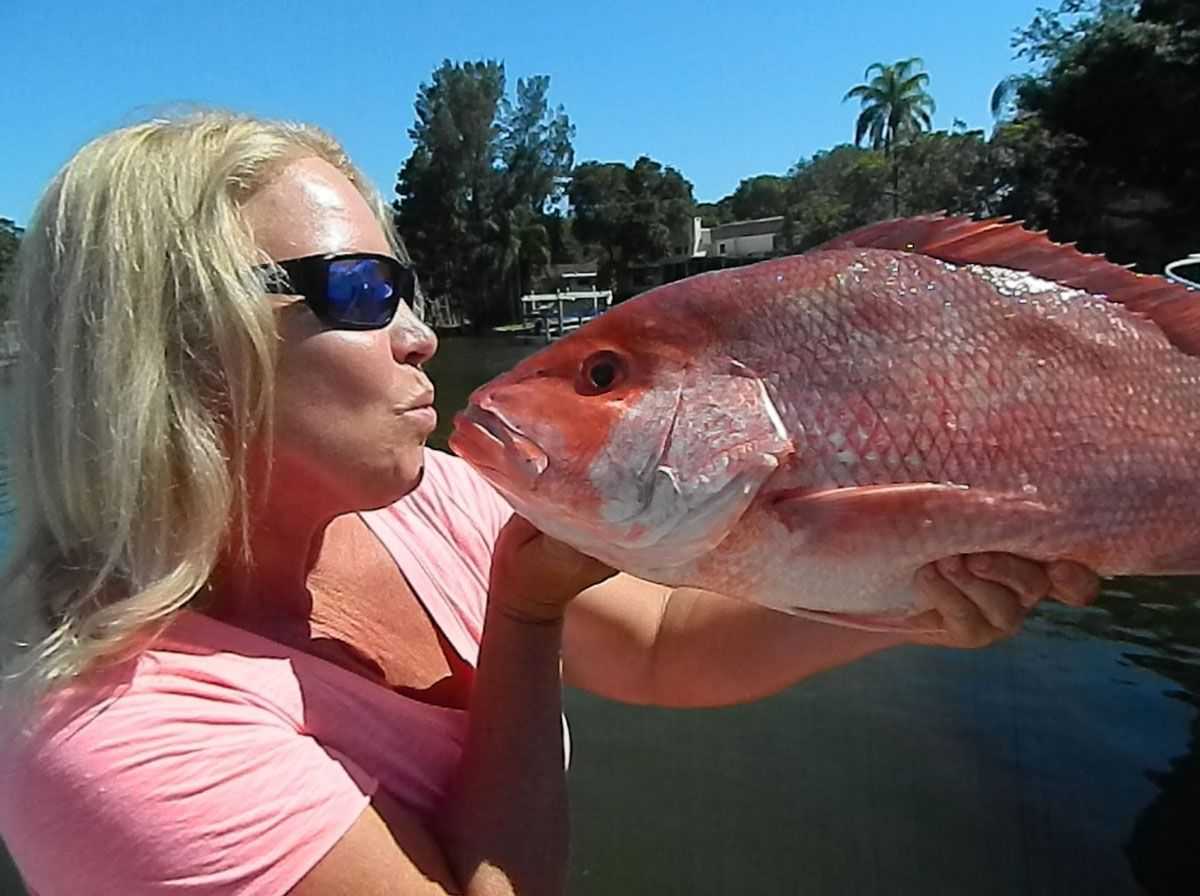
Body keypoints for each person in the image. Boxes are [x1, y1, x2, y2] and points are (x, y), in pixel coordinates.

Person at [0, 112, 1099, 896]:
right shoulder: (107, 735)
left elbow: (663, 645)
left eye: (407, 285)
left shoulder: (420, 499)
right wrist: (518, 623)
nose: (420, 333)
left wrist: (907, 600)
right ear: (178, 343)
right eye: (359, 290)